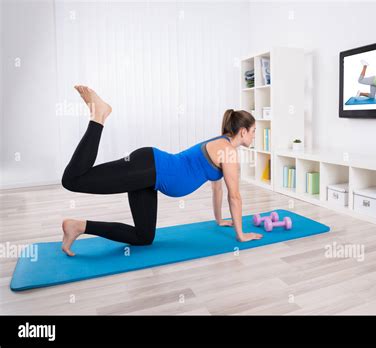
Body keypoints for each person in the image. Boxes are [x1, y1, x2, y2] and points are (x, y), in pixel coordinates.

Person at [61, 85, 262, 256]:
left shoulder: (221, 145)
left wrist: (219, 220)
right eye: (253, 131)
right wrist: (240, 234)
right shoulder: (228, 152)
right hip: (149, 167)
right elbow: (234, 197)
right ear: (243, 131)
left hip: (150, 178)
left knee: (144, 237)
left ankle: (77, 226)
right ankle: (99, 116)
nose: (254, 136)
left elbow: (217, 189)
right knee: (73, 180)